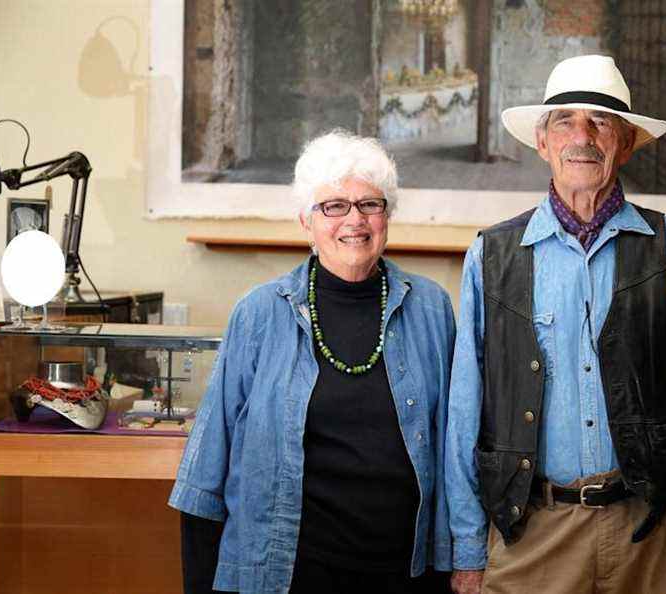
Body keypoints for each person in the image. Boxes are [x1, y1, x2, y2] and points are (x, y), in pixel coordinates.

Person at [445, 55, 666, 594]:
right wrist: (466, 546)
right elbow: (467, 408)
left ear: (625, 143)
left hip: (644, 530)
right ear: (543, 141)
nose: (582, 136)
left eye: (601, 122)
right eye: (565, 121)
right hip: (529, 532)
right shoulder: (491, 255)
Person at [170, 130, 455, 594]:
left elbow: (453, 451)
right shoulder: (259, 313)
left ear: (388, 215)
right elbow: (207, 469)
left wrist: (456, 563)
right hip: (289, 572)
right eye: (334, 205)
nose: (354, 220)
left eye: (370, 204)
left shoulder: (431, 308)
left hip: (404, 571)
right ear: (306, 221)